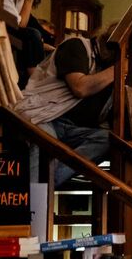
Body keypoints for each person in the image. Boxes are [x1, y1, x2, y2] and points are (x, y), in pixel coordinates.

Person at [16, 21, 120, 187]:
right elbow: (80, 87)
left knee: (109, 140)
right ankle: (36, 196)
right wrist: (117, 70)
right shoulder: (77, 46)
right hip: (46, 117)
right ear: (107, 39)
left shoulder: (108, 69)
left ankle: (49, 180)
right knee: (44, 140)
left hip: (74, 130)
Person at [2, 0, 55, 84]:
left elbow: (21, 26)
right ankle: (36, 83)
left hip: (9, 36)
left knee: (37, 37)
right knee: (32, 34)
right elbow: (19, 27)